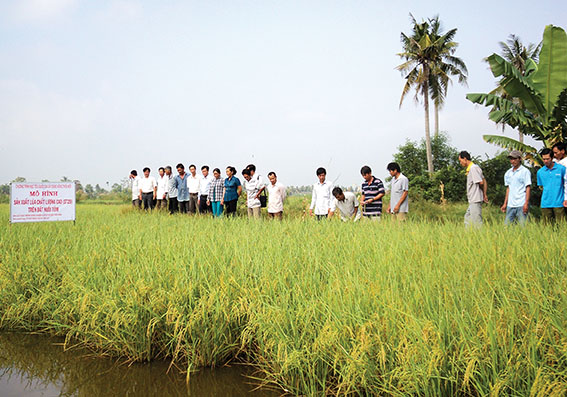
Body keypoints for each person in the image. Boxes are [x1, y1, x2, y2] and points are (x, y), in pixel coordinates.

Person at [500, 150, 531, 225]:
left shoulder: (525, 171)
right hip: (510, 204)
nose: (512, 161)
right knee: (507, 226)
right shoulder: (508, 173)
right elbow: (508, 189)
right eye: (511, 159)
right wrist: (505, 203)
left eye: (514, 159)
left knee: (523, 226)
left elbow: (528, 187)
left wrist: (526, 203)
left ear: (519, 159)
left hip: (521, 203)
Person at [458, 151, 488, 227]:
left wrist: (483, 194)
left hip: (475, 199)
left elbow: (481, 182)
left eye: (460, 161)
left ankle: (480, 236)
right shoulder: (472, 168)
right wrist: (484, 194)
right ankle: (468, 236)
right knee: (467, 218)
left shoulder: (473, 168)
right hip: (472, 199)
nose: (460, 163)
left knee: (476, 221)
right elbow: (484, 180)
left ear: (464, 159)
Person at [537, 148, 566, 223]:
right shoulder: (540, 172)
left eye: (547, 159)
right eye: (544, 159)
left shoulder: (562, 169)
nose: (546, 161)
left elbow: (565, 184)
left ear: (552, 158)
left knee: (561, 225)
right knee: (547, 227)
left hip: (559, 203)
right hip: (545, 203)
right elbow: (542, 186)